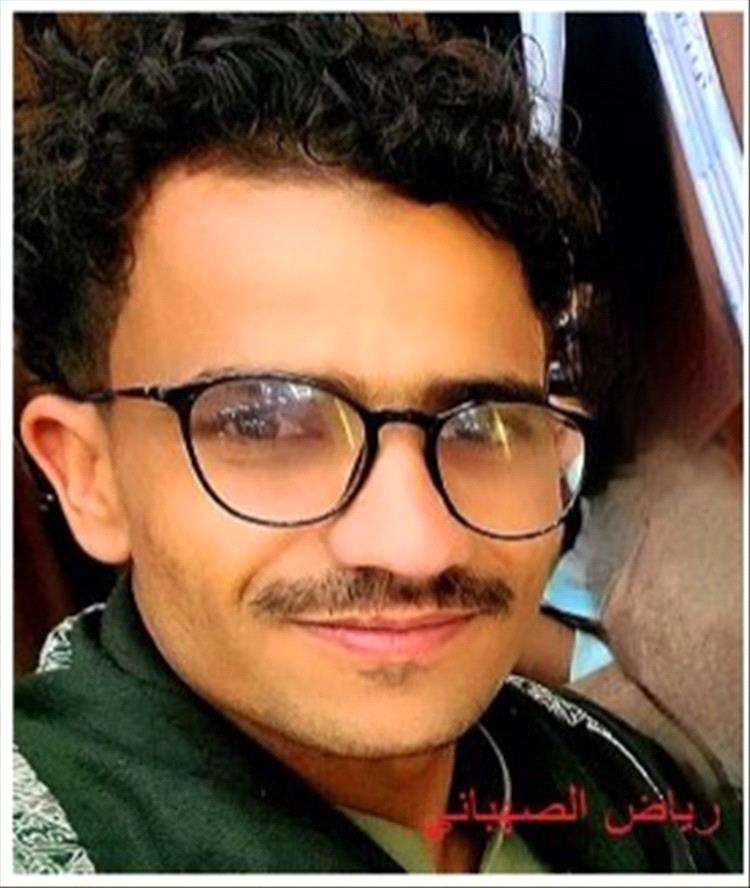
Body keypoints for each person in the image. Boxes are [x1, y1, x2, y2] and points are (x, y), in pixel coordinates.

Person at [13, 12, 738, 874]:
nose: (415, 546)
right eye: (268, 422)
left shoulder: (621, 779)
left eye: (483, 423)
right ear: (88, 474)